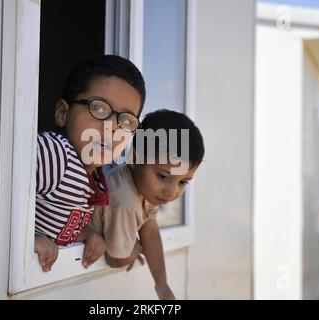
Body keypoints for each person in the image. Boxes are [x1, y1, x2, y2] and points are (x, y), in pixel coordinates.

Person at [34, 55, 146, 272]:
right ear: (62, 113)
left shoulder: (92, 175)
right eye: (100, 108)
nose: (113, 126)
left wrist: (86, 234)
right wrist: (23, 240)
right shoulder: (56, 154)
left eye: (126, 120)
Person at [89, 109, 205, 299]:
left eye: (183, 182)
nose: (171, 191)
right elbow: (116, 259)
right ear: (134, 159)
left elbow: (149, 231)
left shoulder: (146, 187)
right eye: (163, 176)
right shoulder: (125, 200)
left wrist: (161, 285)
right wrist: (135, 248)